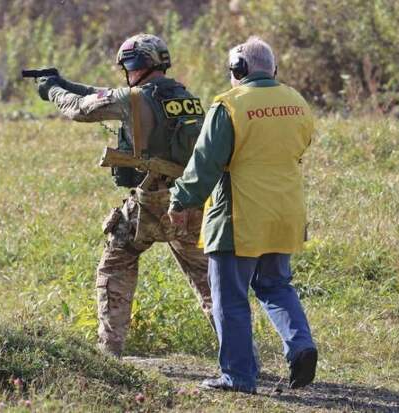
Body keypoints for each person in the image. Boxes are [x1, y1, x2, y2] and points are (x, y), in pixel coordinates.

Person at [35, 33, 213, 357]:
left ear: (135, 65)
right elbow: (100, 94)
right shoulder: (186, 97)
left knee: (115, 264)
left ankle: (110, 351)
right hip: (191, 199)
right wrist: (67, 81)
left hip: (152, 201)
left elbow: (80, 108)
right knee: (208, 281)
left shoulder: (133, 98)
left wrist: (52, 90)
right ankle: (239, 355)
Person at [168, 36, 317, 393]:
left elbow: (204, 165)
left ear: (238, 69)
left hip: (239, 217)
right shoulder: (296, 102)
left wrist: (179, 200)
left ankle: (238, 377)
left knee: (230, 298)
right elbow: (303, 145)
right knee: (275, 285)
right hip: (285, 212)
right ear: (273, 68)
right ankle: (301, 346)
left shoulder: (229, 106)